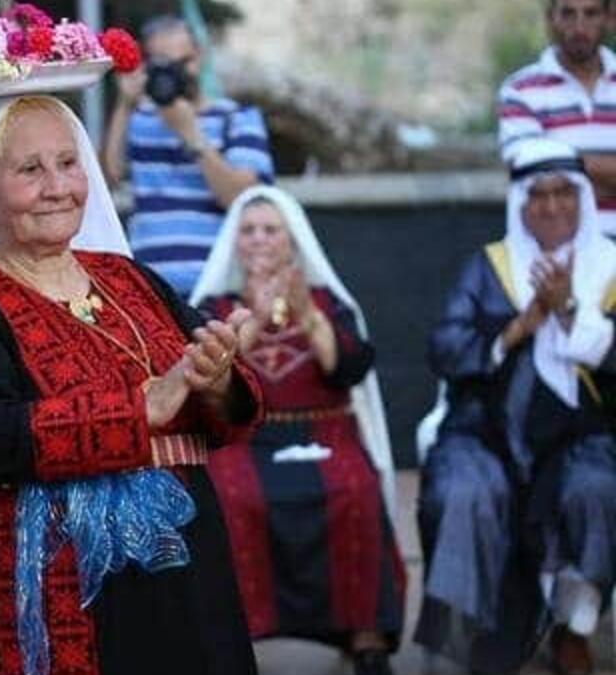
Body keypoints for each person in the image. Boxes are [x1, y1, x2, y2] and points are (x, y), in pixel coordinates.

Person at [0, 89, 265, 675]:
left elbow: (222, 399)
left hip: (183, 580)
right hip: (42, 580)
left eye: (67, 163)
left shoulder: (129, 279)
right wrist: (137, 411)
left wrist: (216, 381)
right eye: (30, 170)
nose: (58, 187)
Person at [415, 139, 616, 675]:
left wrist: (569, 310)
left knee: (597, 490)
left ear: (582, 198)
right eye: (538, 195)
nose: (551, 207)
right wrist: (520, 326)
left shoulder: (611, 265)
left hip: (586, 434)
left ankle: (574, 626)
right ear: (520, 204)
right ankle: (460, 642)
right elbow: (444, 350)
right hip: (484, 429)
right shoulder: (490, 267)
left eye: (563, 193)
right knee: (462, 492)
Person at [188, 186, 404, 675]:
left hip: (325, 432)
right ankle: (234, 636)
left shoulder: (327, 301)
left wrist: (305, 312)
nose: (259, 240)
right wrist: (256, 318)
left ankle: (366, 635)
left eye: (271, 230)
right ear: (234, 242)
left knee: (355, 489)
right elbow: (208, 377)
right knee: (232, 498)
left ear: (292, 241)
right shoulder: (213, 307)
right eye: (249, 231)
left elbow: (347, 368)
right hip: (243, 437)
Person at [101, 15, 274, 298]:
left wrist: (191, 134)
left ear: (201, 56)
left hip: (220, 287)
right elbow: (106, 180)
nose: (179, 74)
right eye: (165, 65)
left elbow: (243, 200)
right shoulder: (139, 118)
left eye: (185, 62)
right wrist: (124, 104)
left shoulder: (238, 118)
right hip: (150, 288)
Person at [498, 0, 616, 237]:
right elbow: (531, 175)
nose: (579, 27)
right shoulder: (519, 90)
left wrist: (561, 165)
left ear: (610, 18)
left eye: (591, 13)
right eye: (568, 13)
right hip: (555, 254)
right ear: (551, 19)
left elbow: (547, 169)